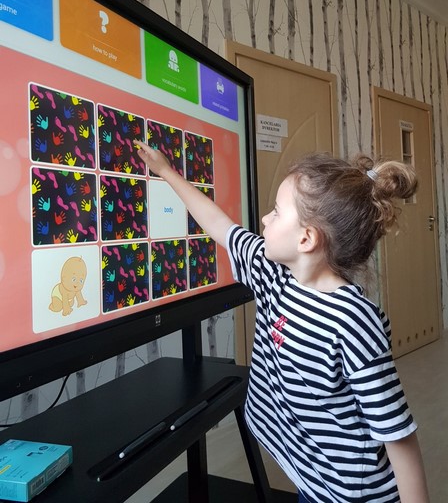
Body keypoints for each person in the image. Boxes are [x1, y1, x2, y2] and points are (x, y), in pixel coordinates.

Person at [135, 140, 429, 503]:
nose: (264, 219)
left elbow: (397, 433)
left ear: (306, 238)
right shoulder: (271, 275)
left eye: (276, 212)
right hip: (311, 476)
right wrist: (166, 171)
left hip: (350, 494)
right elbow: (219, 225)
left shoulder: (353, 321)